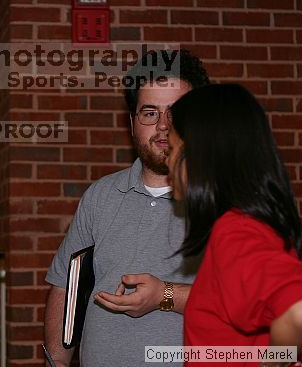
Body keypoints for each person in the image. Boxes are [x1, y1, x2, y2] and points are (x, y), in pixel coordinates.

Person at [44, 49, 210, 367]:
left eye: (177, 113)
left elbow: (251, 304)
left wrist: (165, 295)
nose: (163, 126)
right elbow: (67, 286)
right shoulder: (100, 196)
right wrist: (56, 363)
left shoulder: (224, 197)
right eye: (150, 113)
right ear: (132, 123)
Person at [166, 83, 302, 366]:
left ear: (200, 155)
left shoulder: (235, 231)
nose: (167, 161)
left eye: (172, 148)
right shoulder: (256, 226)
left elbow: (297, 312)